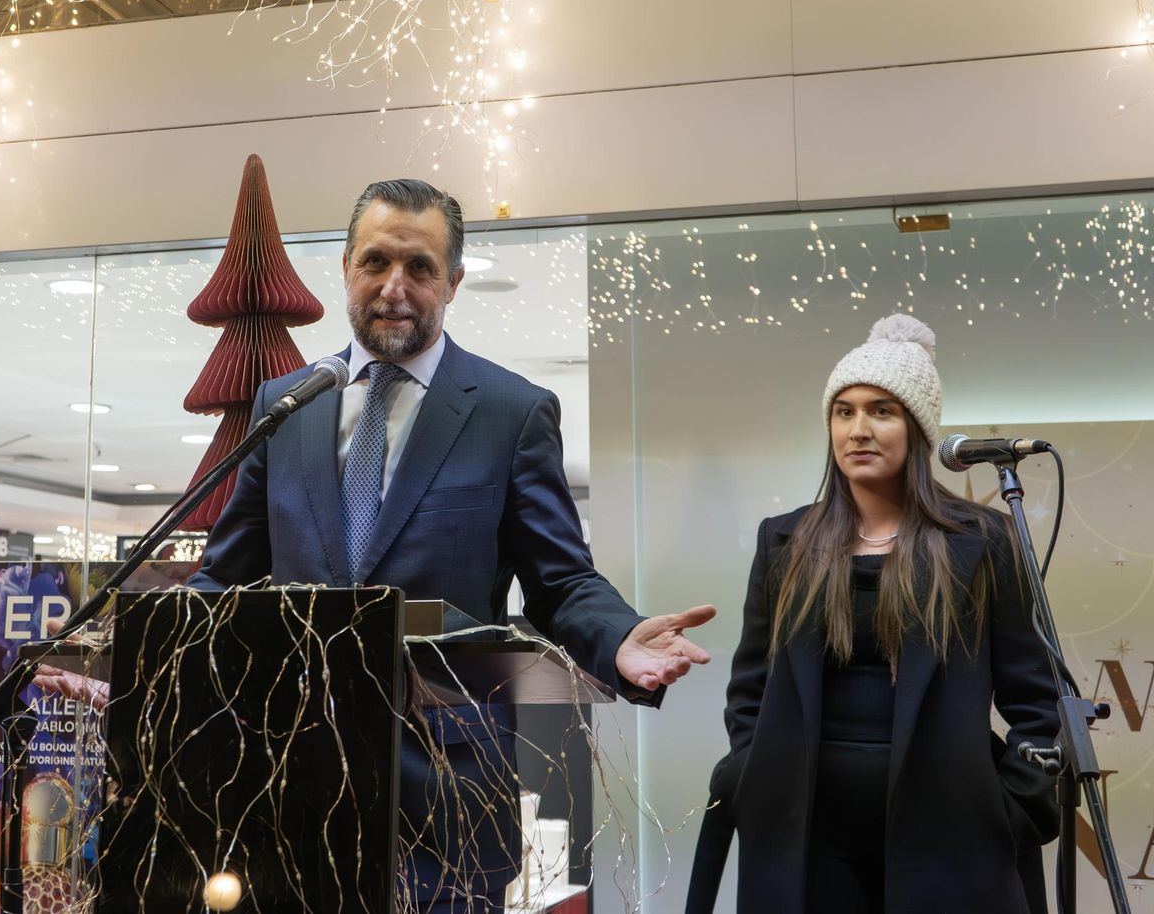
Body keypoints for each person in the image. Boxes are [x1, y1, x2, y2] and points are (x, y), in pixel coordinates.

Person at [189, 178, 717, 913]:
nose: (394, 287)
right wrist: (131, 660)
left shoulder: (511, 412)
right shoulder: (286, 404)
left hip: (450, 787)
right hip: (292, 776)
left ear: (455, 282)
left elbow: (560, 583)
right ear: (345, 267)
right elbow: (223, 580)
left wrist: (621, 636)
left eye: (421, 268)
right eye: (375, 262)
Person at [683, 315, 1059, 914]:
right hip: (803, 836)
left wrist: (1013, 810)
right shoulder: (785, 542)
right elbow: (751, 686)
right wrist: (748, 775)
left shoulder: (981, 540)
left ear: (917, 430)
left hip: (950, 834)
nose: (859, 429)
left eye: (882, 411)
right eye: (845, 411)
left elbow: (1034, 697)